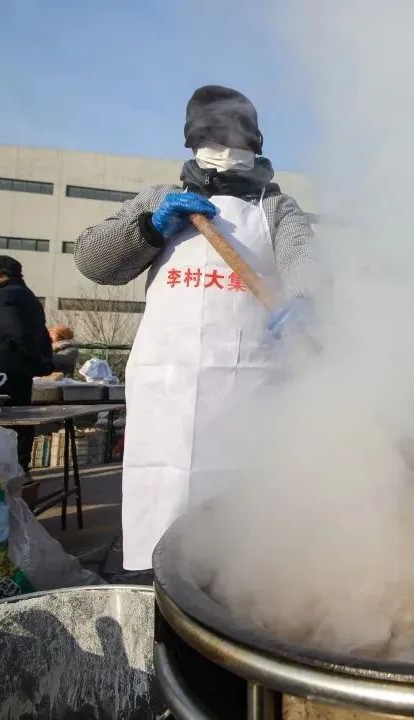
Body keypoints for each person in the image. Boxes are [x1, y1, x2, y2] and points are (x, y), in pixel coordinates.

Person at [74, 85, 317, 571]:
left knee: (239, 532)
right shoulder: (162, 199)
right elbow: (93, 260)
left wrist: (308, 302)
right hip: (168, 394)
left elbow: (307, 264)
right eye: (211, 137)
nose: (225, 148)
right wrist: (149, 229)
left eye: (236, 138)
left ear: (256, 144)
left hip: (248, 392)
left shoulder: (276, 207)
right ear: (191, 144)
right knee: (162, 515)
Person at [0, 255, 52, 472]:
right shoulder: (30, 298)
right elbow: (41, 334)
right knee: (19, 420)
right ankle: (19, 472)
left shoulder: (4, 295)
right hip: (20, 371)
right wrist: (41, 361)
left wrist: (34, 357)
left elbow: (17, 331)